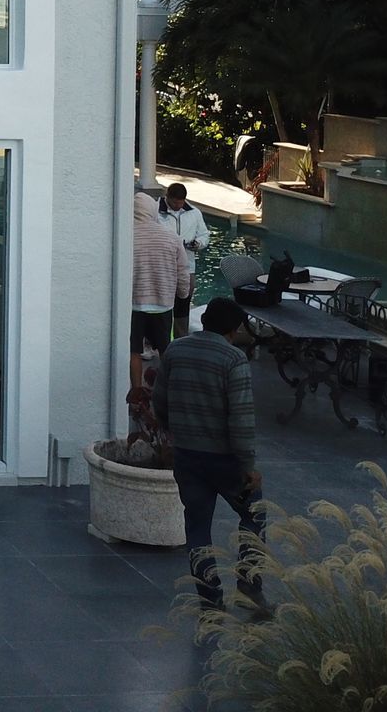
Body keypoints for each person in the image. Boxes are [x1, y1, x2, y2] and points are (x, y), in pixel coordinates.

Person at [153, 297, 268, 615]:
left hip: (187, 457)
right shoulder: (234, 360)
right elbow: (241, 418)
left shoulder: (176, 350)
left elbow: (159, 401)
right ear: (233, 329)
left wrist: (170, 435)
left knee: (198, 527)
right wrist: (248, 466)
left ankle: (210, 598)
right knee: (254, 514)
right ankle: (249, 585)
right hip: (225, 460)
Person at [131, 189, 189, 389]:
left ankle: (136, 393)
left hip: (134, 305)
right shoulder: (171, 237)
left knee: (134, 351)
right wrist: (183, 294)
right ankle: (167, 391)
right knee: (166, 350)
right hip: (162, 305)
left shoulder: (126, 236)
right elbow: (183, 271)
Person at [161, 182, 211, 333]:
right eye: (175, 202)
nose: (177, 205)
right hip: (163, 265)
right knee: (160, 304)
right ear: (167, 197)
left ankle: (180, 338)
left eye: (180, 202)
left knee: (184, 302)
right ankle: (154, 342)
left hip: (187, 265)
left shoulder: (194, 212)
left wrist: (198, 243)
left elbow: (204, 234)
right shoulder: (155, 212)